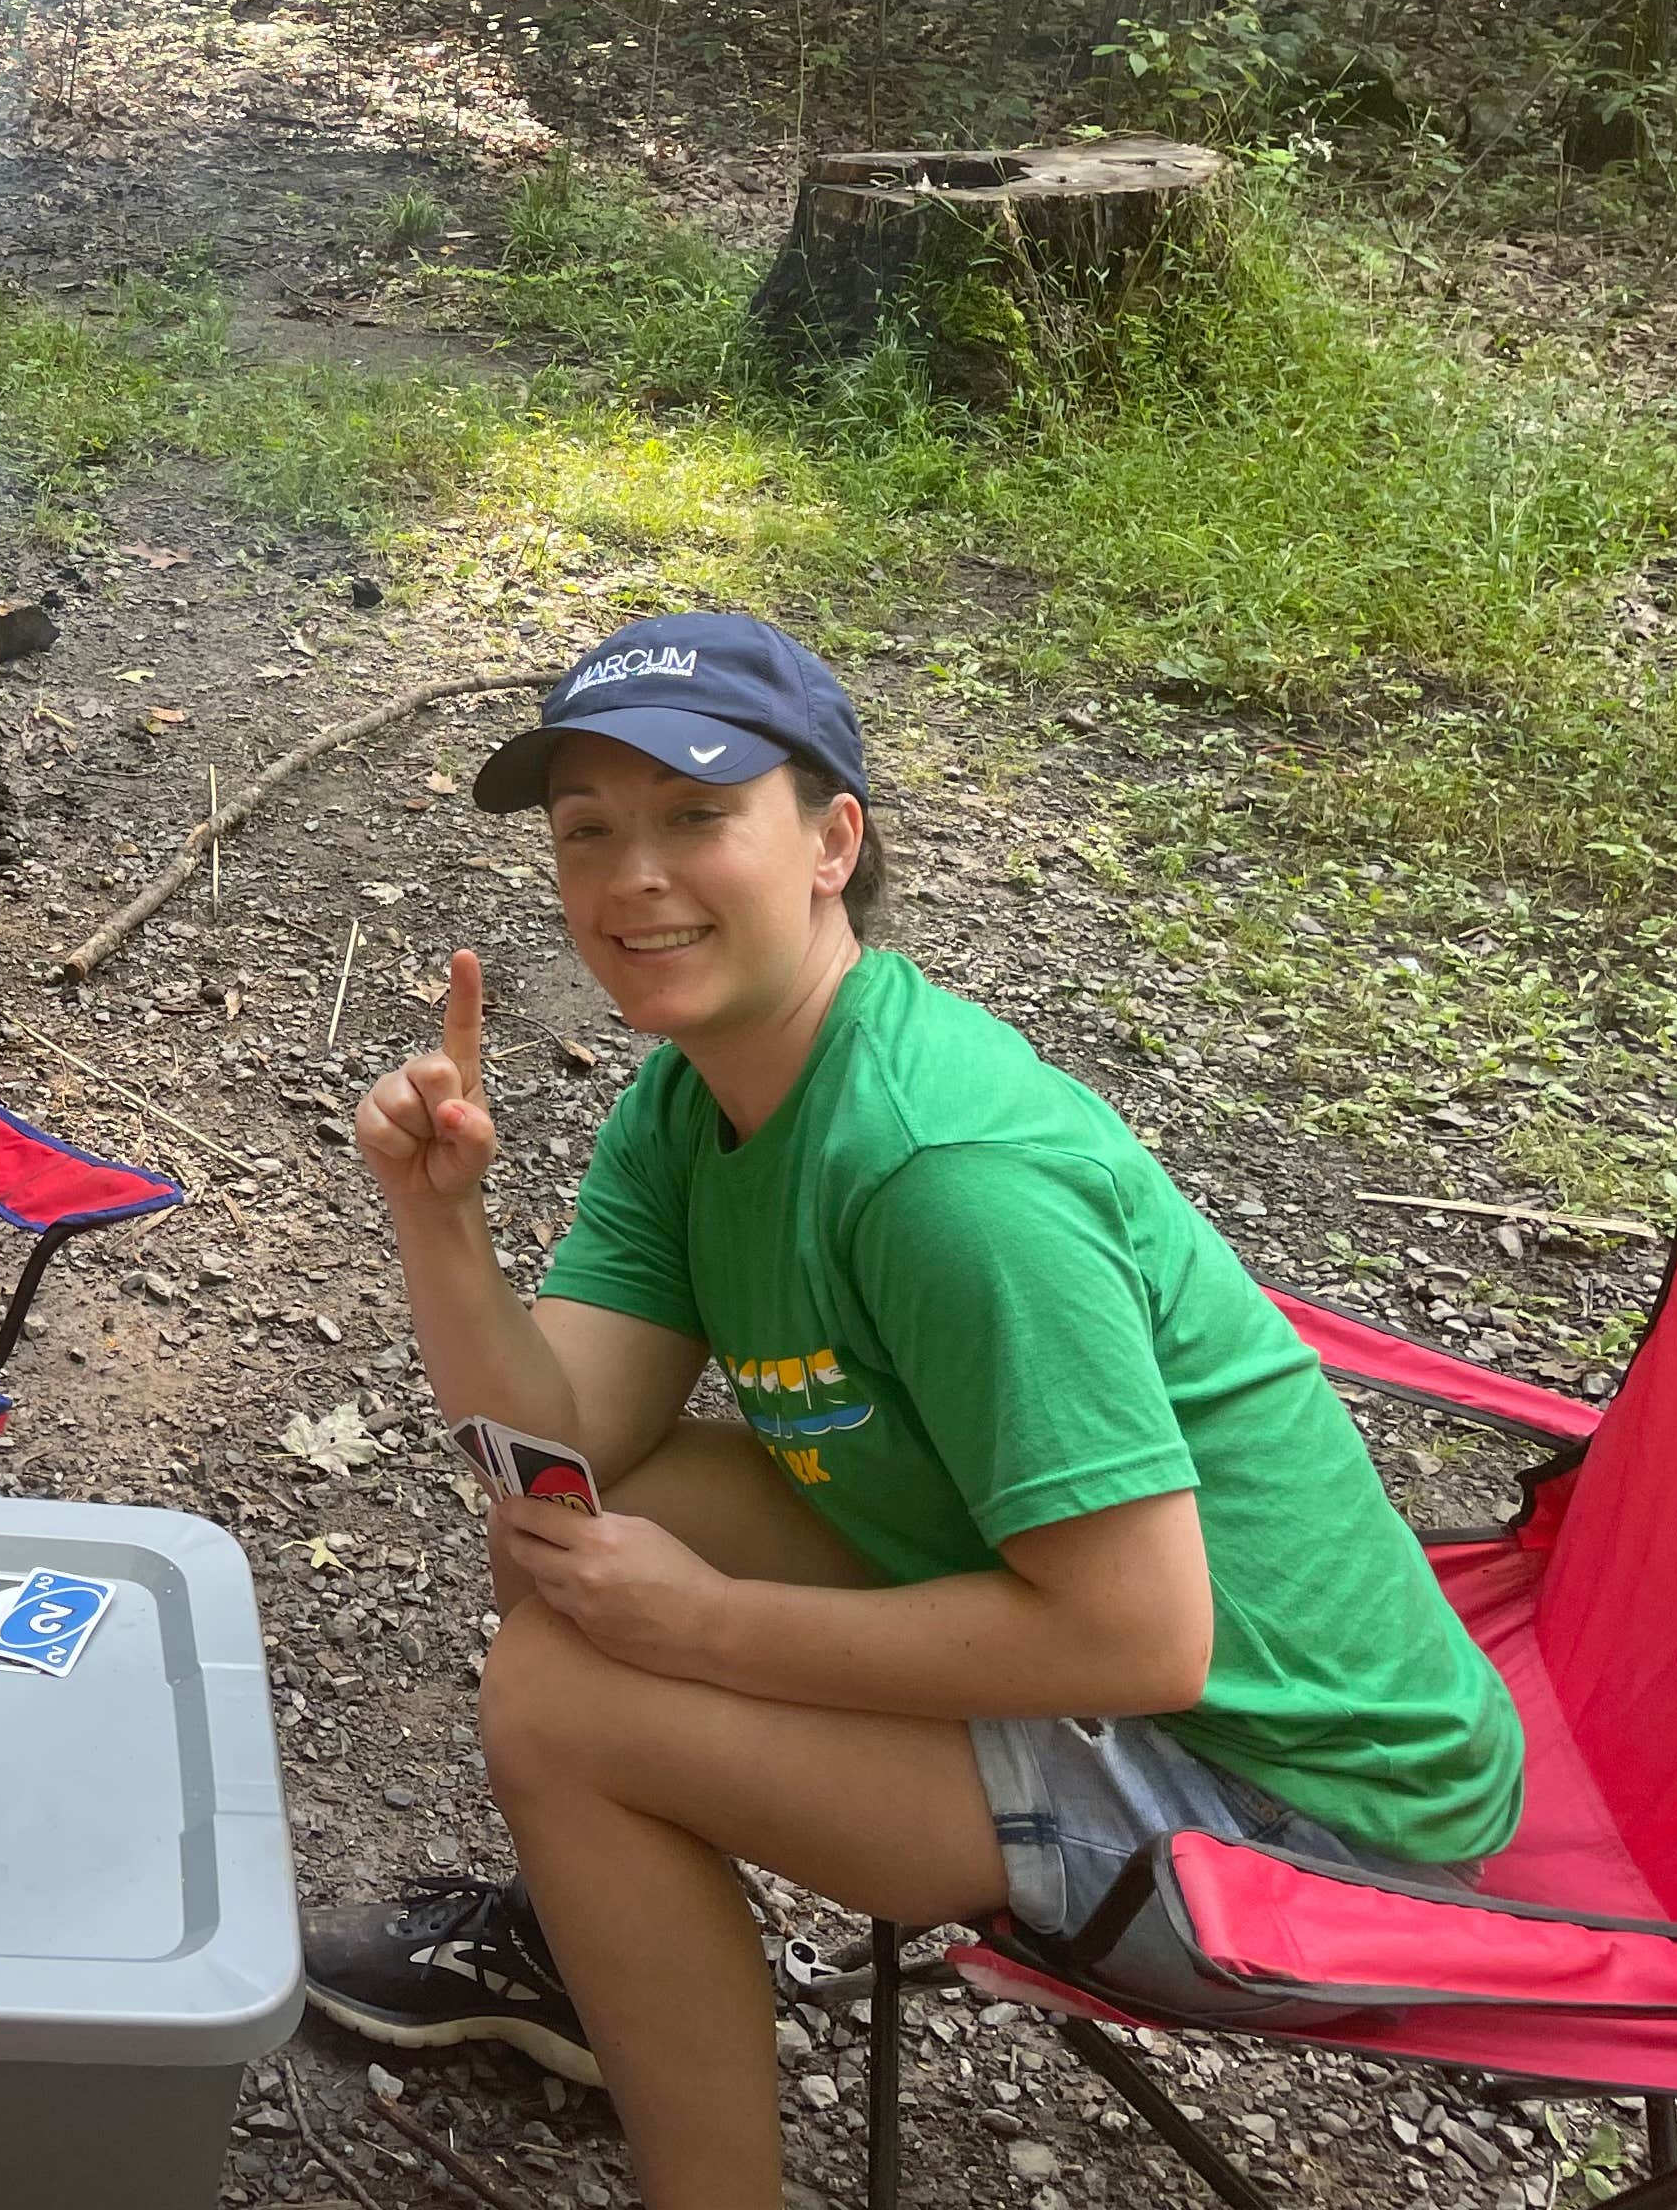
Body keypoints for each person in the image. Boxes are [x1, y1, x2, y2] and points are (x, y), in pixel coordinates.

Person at [300, 613, 1523, 2210]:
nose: (630, 878)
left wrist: (711, 1630)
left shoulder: (947, 1177)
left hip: (1296, 1810)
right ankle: (620, 1959)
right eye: (587, 831)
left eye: (694, 816)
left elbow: (1141, 1639)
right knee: (568, 1550)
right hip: (1143, 1673)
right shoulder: (697, 1095)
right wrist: (438, 1223)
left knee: (564, 1703)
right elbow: (564, 1455)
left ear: (830, 842)